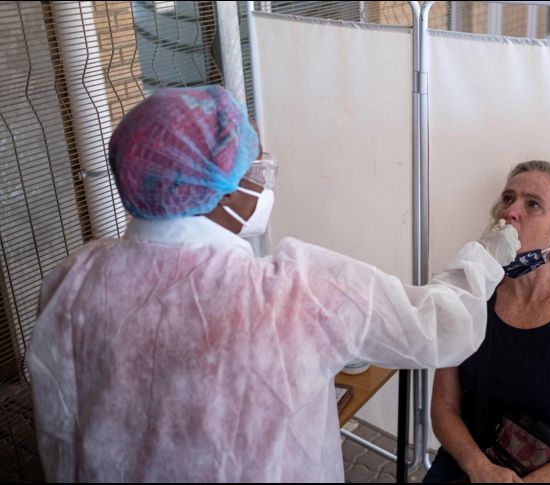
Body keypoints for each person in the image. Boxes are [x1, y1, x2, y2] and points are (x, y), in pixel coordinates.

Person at [26, 85, 522, 483]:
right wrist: (487, 256)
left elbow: (61, 421)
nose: (264, 176)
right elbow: (439, 329)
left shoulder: (75, 279)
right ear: (219, 189)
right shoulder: (298, 291)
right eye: (254, 162)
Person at [425, 161, 550, 483]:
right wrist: (479, 468)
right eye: (507, 199)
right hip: (472, 462)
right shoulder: (472, 291)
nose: (509, 212)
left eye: (532, 204)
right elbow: (444, 408)